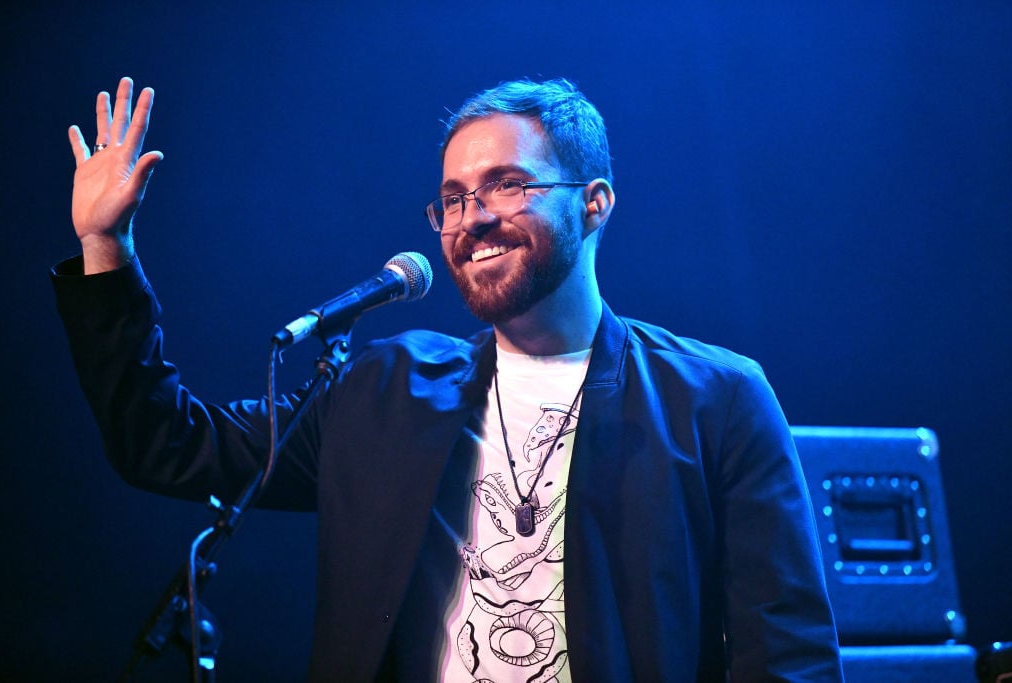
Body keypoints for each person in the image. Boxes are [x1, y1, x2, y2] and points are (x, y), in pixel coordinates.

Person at [54, 76, 844, 681]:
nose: (472, 217)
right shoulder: (383, 391)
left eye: (508, 184)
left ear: (595, 204)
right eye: (453, 198)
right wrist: (105, 248)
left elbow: (788, 656)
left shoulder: (716, 400)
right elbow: (165, 443)